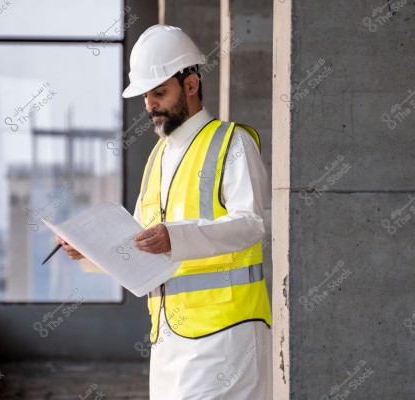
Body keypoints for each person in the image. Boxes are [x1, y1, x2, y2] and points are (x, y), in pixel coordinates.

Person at [57, 24, 272, 400]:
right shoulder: (158, 157)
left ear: (190, 85)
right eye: (146, 96)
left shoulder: (231, 142)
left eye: (160, 92)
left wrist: (178, 236)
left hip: (227, 335)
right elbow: (139, 242)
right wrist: (89, 252)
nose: (150, 105)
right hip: (168, 339)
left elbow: (253, 225)